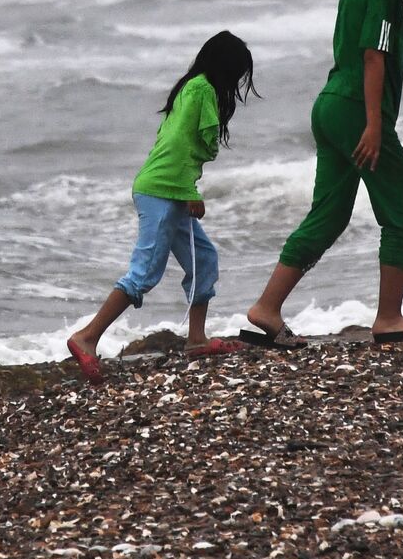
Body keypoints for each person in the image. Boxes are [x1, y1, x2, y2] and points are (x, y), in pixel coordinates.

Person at [240, 0, 403, 349]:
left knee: (330, 214)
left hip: (330, 106)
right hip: (357, 110)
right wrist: (374, 125)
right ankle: (390, 319)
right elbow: (373, 54)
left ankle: (266, 309)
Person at [67, 31, 259, 383]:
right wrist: (189, 191)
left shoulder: (190, 86)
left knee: (204, 260)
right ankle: (87, 337)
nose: (237, 82)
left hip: (165, 188)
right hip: (163, 190)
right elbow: (179, 146)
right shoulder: (201, 89)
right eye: (237, 72)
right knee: (144, 273)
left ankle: (196, 340)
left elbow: (174, 140)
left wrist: (185, 188)